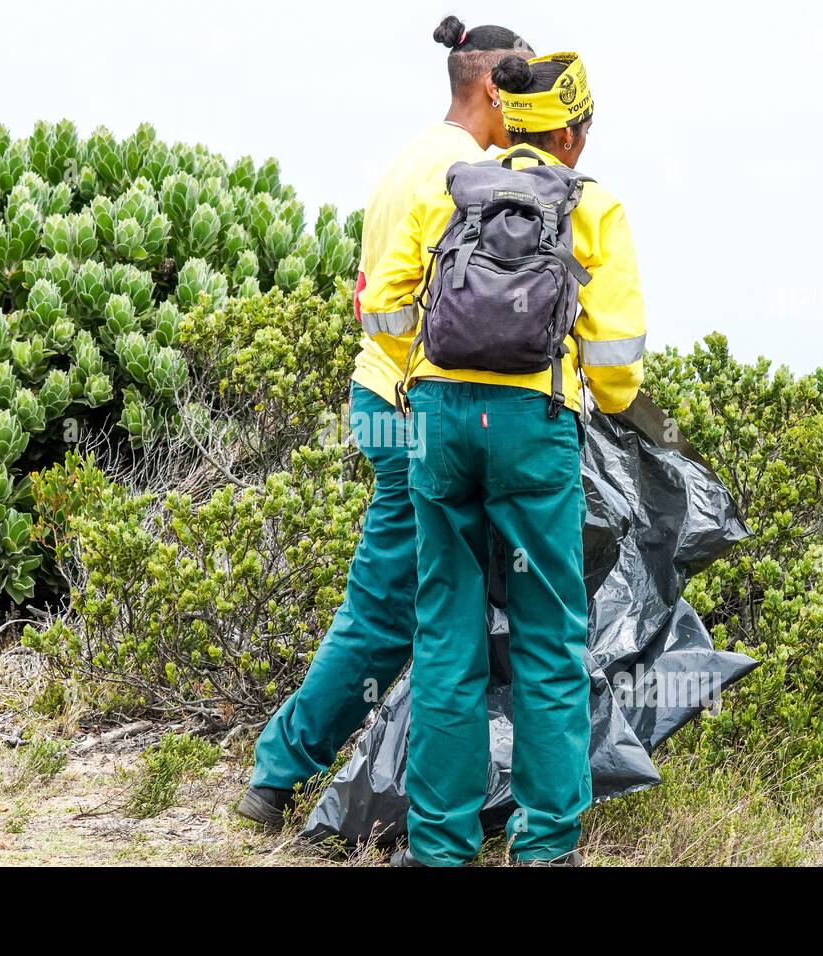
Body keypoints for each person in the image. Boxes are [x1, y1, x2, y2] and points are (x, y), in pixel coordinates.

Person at [236, 17, 536, 829]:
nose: (536, 108)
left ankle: (404, 789)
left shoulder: (416, 154)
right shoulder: (468, 172)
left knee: (422, 604)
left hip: (383, 398)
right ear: (492, 87)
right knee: (389, 609)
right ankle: (276, 776)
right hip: (412, 408)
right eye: (527, 87)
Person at [359, 51, 647, 866]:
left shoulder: (448, 186)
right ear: (570, 131)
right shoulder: (594, 206)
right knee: (548, 637)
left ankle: (440, 845)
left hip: (442, 422)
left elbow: (381, 309)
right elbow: (618, 361)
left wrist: (431, 358)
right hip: (532, 427)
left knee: (444, 634)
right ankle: (546, 843)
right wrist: (613, 408)